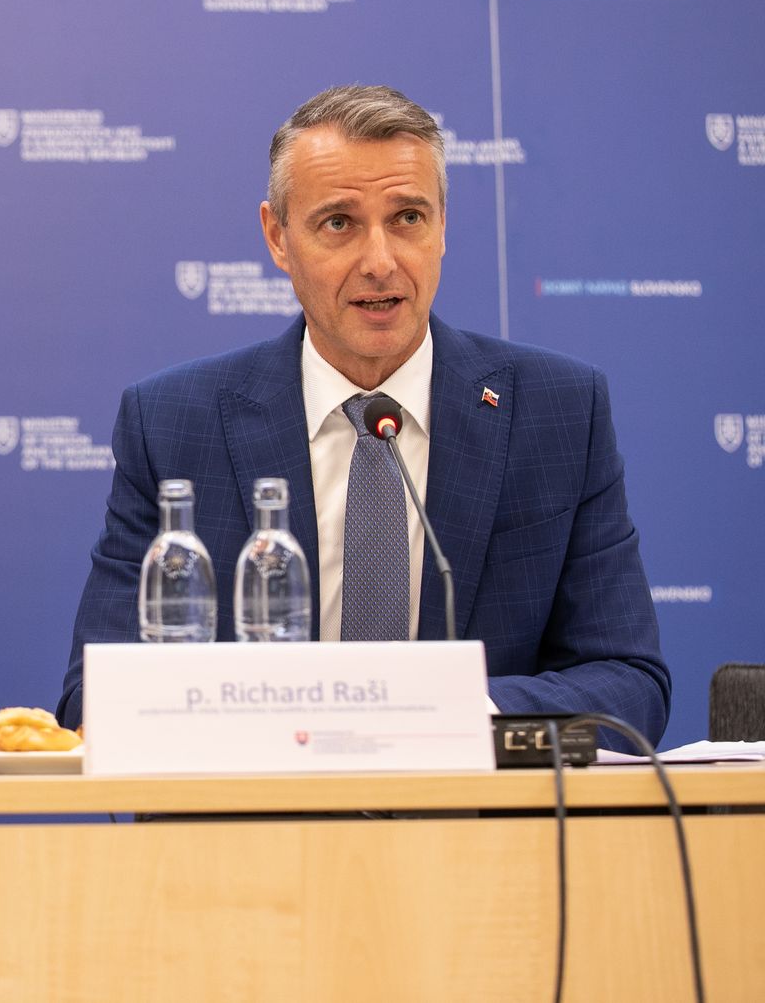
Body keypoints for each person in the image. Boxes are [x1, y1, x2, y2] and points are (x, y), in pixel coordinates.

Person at [59, 85, 668, 749]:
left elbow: (629, 682)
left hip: (473, 811)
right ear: (278, 237)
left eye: (407, 217)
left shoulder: (557, 411)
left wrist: (445, 714)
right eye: (339, 224)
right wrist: (284, 725)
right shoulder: (173, 422)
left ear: (442, 227)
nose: (380, 262)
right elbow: (94, 695)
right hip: (257, 809)